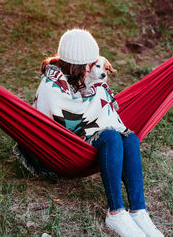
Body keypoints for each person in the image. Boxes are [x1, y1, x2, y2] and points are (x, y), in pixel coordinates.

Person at [24, 29, 164, 237]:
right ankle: (116, 212)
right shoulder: (51, 84)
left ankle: (138, 211)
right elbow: (62, 119)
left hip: (84, 140)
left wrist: (96, 92)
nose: (95, 67)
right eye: (91, 63)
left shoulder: (84, 79)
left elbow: (94, 109)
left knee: (130, 138)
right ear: (76, 65)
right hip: (59, 148)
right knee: (111, 137)